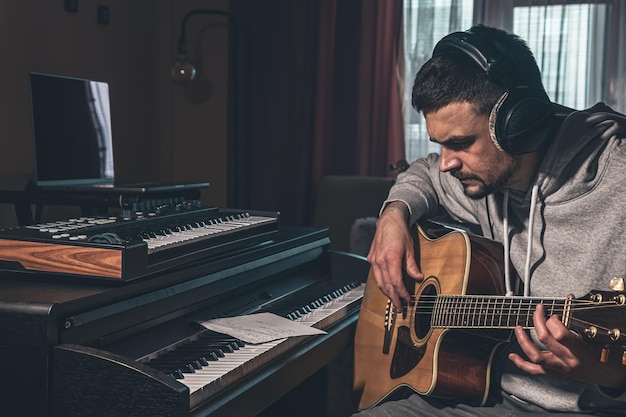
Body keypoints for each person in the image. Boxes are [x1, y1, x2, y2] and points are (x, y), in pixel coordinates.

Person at [354, 25, 626, 416]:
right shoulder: (480, 177)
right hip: (487, 395)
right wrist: (394, 214)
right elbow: (425, 173)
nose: (447, 162)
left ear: (519, 125)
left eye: (461, 143)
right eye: (441, 144)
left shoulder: (618, 179)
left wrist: (610, 376)